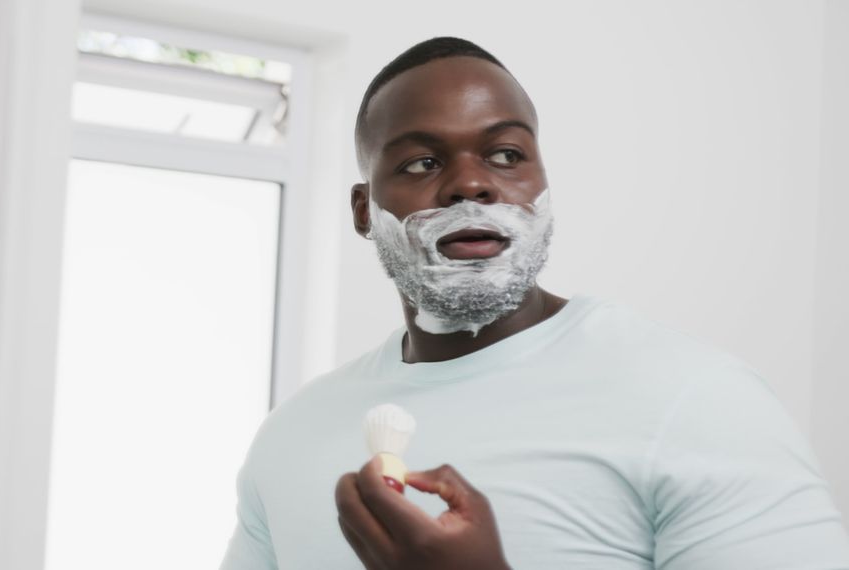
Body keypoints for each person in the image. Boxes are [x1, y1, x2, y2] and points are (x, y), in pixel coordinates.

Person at [220, 37, 849, 569]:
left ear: (541, 184)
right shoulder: (291, 437)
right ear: (365, 211)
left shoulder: (697, 400)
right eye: (421, 162)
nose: (471, 182)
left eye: (505, 155)